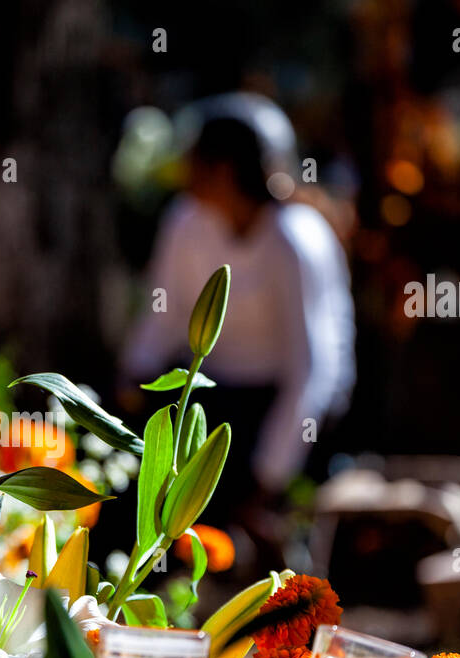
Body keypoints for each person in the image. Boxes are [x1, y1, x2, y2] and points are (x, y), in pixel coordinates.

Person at [122, 93, 355, 520]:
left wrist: (267, 477)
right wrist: (130, 382)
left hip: (281, 414)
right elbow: (165, 315)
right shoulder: (185, 221)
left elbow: (313, 372)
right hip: (210, 397)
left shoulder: (296, 240)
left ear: (223, 170)